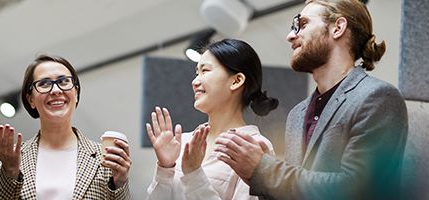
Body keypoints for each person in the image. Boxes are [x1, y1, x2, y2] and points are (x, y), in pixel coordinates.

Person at [214, 1, 408, 199]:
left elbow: (357, 189)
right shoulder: (297, 115)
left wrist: (264, 169)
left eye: (303, 24)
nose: (290, 36)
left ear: (338, 28)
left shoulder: (377, 97)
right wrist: (260, 176)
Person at [0, 54, 131, 199]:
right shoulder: (4, 160)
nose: (56, 90)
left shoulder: (106, 159)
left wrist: (120, 183)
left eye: (64, 81)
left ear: (76, 93)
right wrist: (10, 172)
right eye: (44, 84)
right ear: (31, 99)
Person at [145, 39, 279, 200]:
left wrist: (194, 174)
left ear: (236, 81)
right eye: (196, 73)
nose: (195, 82)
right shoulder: (182, 142)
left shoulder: (254, 147)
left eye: (205, 71)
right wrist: (165, 168)